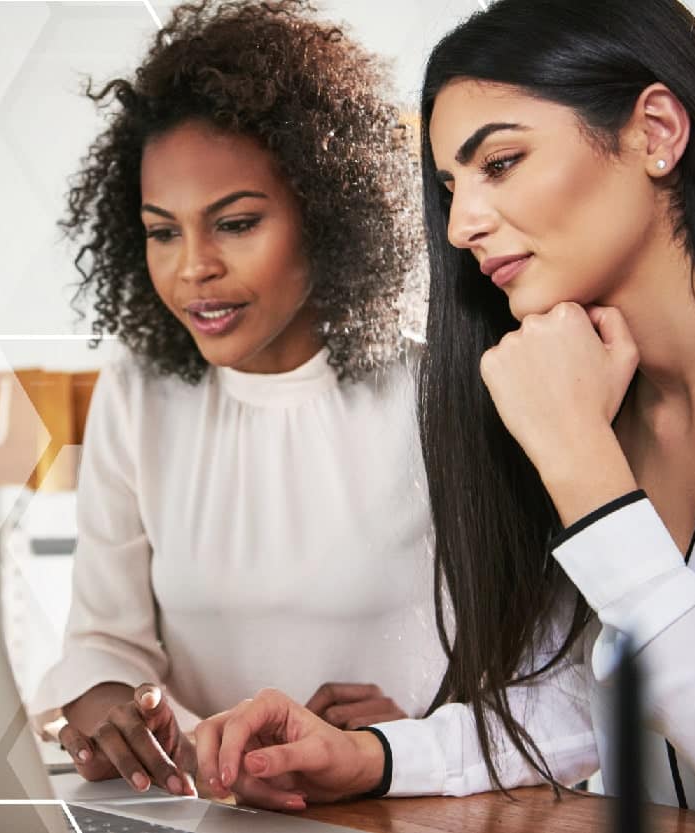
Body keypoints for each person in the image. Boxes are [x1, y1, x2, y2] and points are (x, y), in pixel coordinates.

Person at [191, 1, 695, 830]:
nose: (463, 223)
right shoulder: (603, 389)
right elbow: (611, 693)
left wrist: (582, 466)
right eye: (449, 187)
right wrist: (370, 755)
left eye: (499, 162)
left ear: (654, 131)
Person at [27, 0, 443, 806]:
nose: (193, 269)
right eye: (162, 231)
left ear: (326, 213)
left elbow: (527, 685)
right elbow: (102, 640)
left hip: (397, 813)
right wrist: (109, 704)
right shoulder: (140, 391)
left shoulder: (433, 392)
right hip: (204, 811)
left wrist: (402, 741)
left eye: (236, 223)